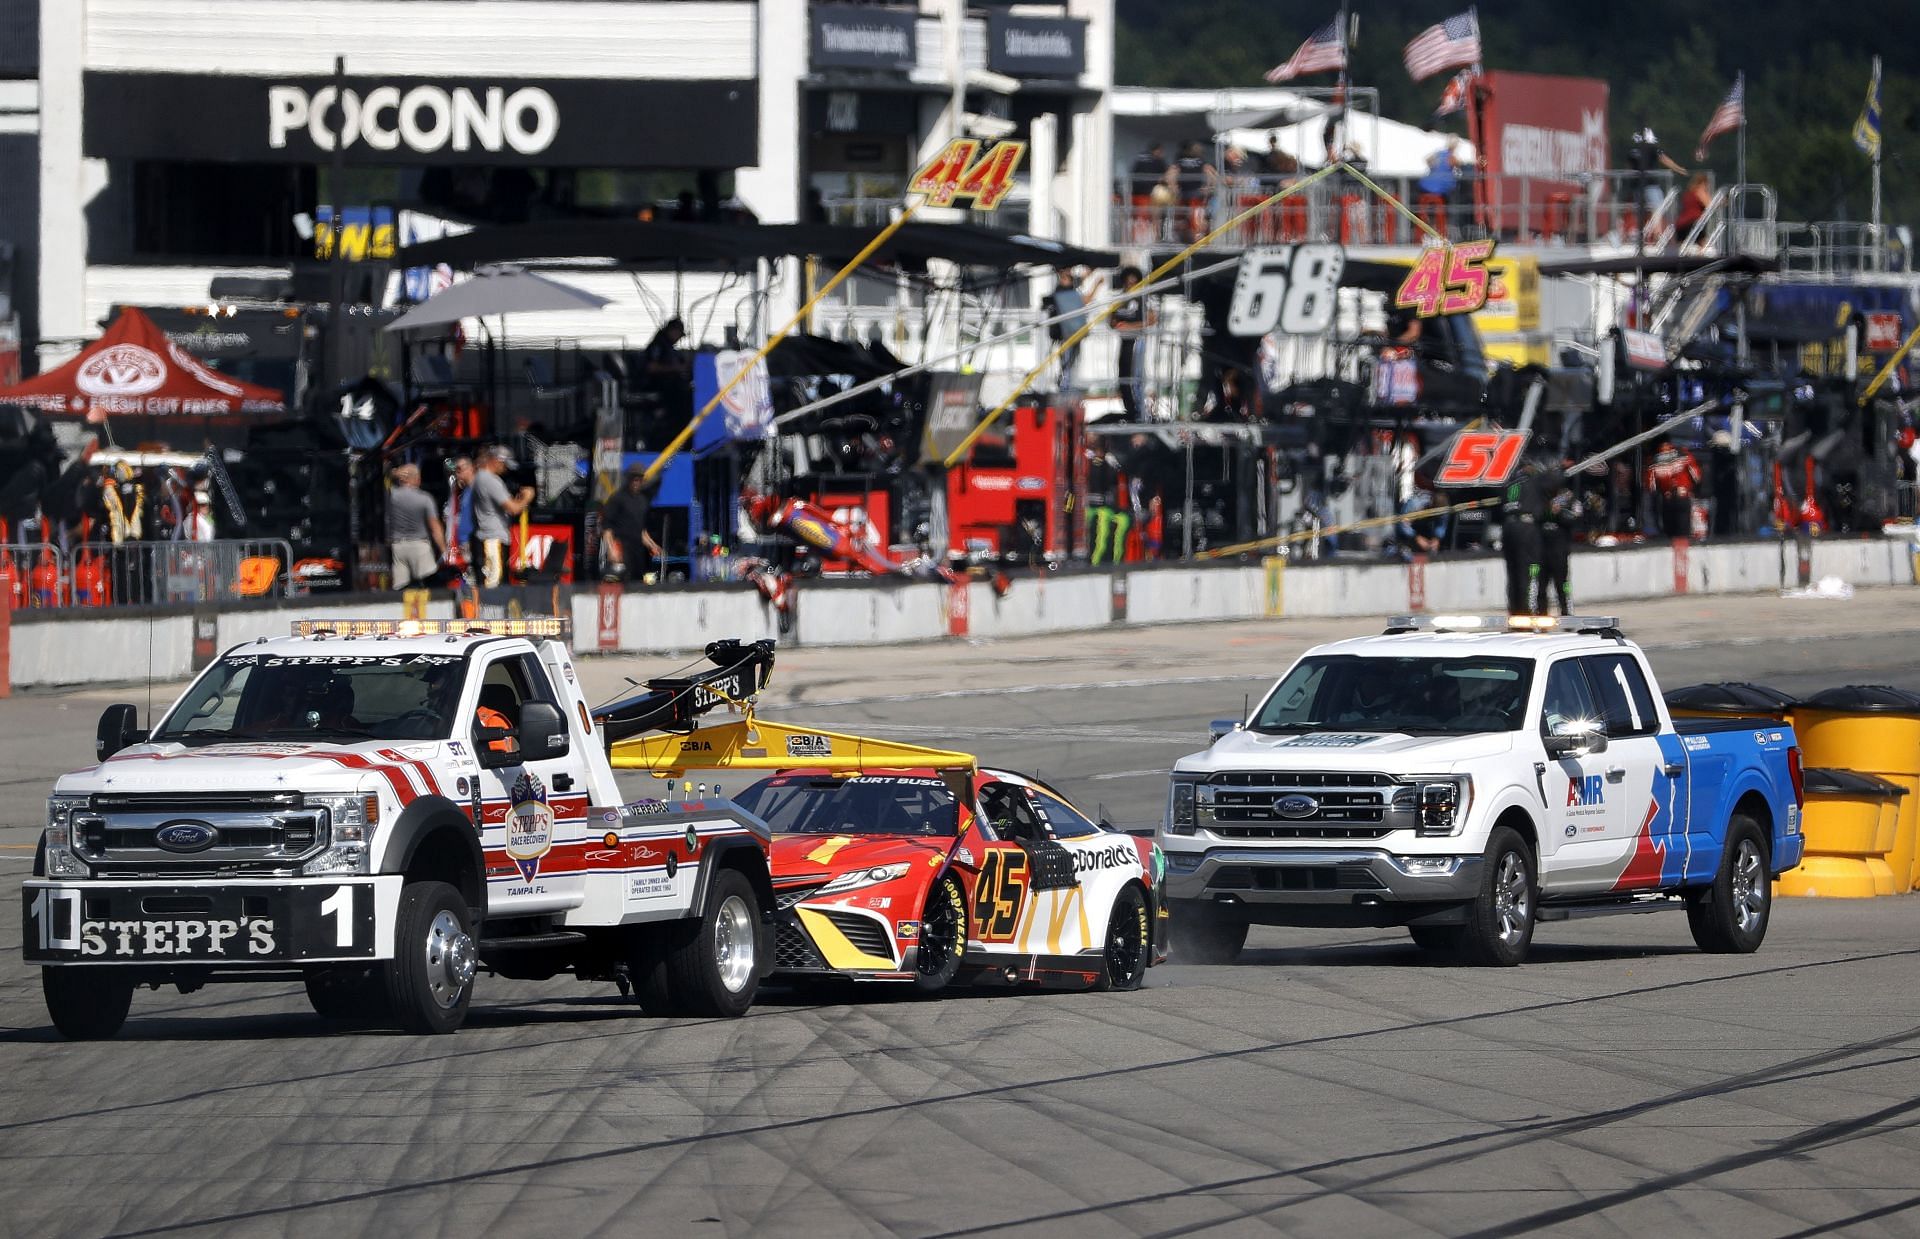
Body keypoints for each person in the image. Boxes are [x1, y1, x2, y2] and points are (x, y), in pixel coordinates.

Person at [471, 445, 536, 588]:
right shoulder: (490, 480)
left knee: (495, 581)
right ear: (496, 461)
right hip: (493, 538)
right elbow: (513, 509)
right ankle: (491, 609)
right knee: (494, 584)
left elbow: (505, 505)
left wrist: (518, 499)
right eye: (504, 465)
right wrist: (527, 497)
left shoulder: (480, 478)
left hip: (489, 536)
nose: (506, 469)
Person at [599, 464, 665, 582]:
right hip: (621, 548)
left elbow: (641, 531)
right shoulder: (617, 498)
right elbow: (607, 528)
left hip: (637, 550)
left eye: (639, 479)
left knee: (638, 580)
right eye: (634, 479)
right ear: (628, 480)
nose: (636, 482)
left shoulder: (642, 501)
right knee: (621, 581)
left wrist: (652, 545)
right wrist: (611, 549)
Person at [385, 463, 446, 590]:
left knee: (400, 588)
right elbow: (435, 528)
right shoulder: (425, 499)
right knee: (428, 585)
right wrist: (443, 550)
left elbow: (382, 474)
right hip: (420, 547)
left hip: (398, 547)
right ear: (417, 479)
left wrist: (393, 473)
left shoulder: (390, 496)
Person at [1539, 467, 1582, 615]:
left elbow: (1575, 517)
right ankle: (1541, 615)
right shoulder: (1540, 497)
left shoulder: (1569, 498)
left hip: (1560, 551)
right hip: (1542, 551)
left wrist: (1559, 513)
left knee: (1563, 585)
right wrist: (1547, 510)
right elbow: (1534, 516)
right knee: (1540, 586)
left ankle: (1566, 611)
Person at [1112, 267, 1153, 419]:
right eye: (1128, 283)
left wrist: (1131, 326)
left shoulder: (1143, 299)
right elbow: (1113, 321)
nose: (1130, 286)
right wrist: (1118, 325)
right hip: (1124, 342)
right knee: (1123, 376)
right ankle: (1130, 410)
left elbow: (1151, 320)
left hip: (1138, 341)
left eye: (1134, 283)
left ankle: (1138, 411)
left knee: (1135, 377)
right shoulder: (1119, 300)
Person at [1040, 268, 1090, 390]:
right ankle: (1064, 386)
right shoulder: (1060, 293)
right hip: (1064, 334)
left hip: (1073, 333)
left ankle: (1066, 385)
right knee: (1066, 363)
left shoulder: (1071, 292)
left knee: (1071, 362)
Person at [1646, 438, 1701, 538]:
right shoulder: (1683, 454)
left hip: (1667, 498)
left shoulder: (1653, 461)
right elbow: (1696, 477)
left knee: (1670, 534)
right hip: (1683, 496)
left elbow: (1651, 487)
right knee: (1683, 534)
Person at [1674, 172, 1712, 243]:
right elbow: (1709, 205)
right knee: (1703, 244)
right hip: (1693, 222)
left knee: (1682, 248)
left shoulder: (1688, 193)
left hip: (1681, 224)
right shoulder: (1700, 191)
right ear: (1703, 183)